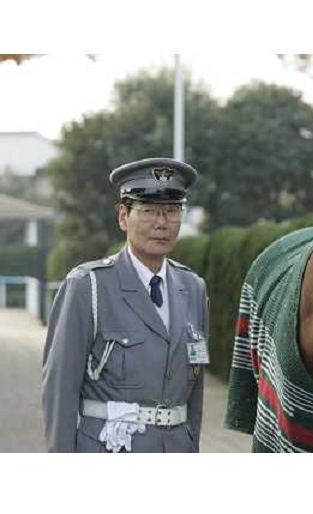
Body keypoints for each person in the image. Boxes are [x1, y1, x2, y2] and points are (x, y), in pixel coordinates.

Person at [42, 157, 209, 453]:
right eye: (147, 211)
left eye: (172, 211)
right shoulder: (88, 286)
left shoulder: (193, 288)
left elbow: (194, 396)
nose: (161, 223)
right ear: (123, 216)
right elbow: (60, 393)